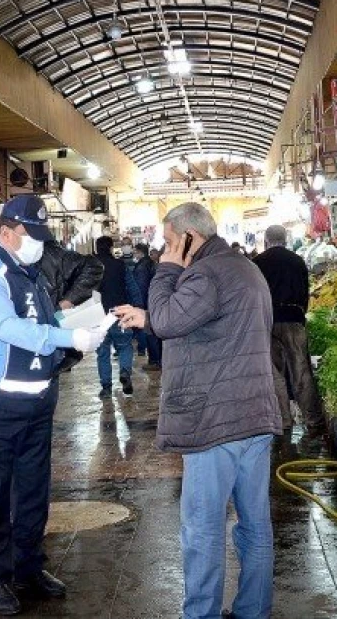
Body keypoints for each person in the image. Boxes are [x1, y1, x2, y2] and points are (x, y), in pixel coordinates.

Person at [115, 203, 282, 619]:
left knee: (203, 528)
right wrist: (149, 317)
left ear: (190, 237)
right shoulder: (242, 268)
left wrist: (167, 270)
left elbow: (174, 320)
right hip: (254, 415)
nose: (165, 249)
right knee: (254, 526)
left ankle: (201, 613)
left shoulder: (204, 272)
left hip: (216, 421)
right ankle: (252, 611)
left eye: (171, 242)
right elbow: (206, 321)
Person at [0, 194, 107, 615]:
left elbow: (44, 324)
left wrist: (81, 324)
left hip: (37, 400)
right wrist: (68, 338)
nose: (38, 243)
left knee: (33, 492)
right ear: (4, 233)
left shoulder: (33, 274)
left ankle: (27, 566)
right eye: (30, 234)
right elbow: (8, 327)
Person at [0, 206, 104, 383]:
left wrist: (67, 302)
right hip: (9, 369)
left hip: (46, 356)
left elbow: (93, 267)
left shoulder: (48, 255)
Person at [253, 225, 326, 437]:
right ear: (285, 239)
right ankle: (312, 418)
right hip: (293, 318)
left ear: (267, 240)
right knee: (301, 369)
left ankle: (282, 420)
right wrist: (301, 312)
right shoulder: (297, 260)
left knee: (273, 373)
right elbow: (306, 292)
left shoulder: (258, 263)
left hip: (267, 322)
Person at [94, 235, 135, 399]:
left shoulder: (89, 266)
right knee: (125, 346)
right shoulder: (120, 265)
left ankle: (106, 388)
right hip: (120, 313)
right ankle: (125, 371)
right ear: (111, 248)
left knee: (102, 352)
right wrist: (137, 307)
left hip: (98, 316)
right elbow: (132, 288)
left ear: (97, 248)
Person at [131, 243, 161, 372]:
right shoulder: (149, 263)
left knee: (150, 333)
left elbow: (141, 287)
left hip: (147, 302)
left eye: (135, 251)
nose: (134, 253)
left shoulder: (142, 266)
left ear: (140, 252)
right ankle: (157, 359)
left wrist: (140, 305)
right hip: (153, 301)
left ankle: (154, 361)